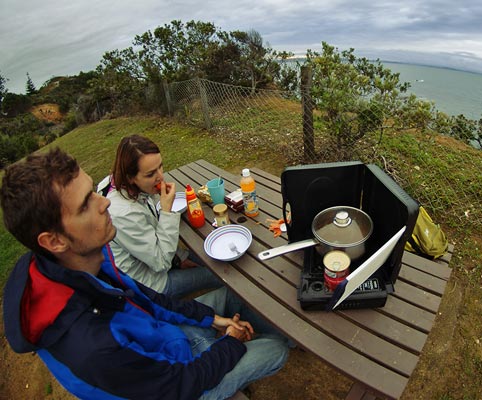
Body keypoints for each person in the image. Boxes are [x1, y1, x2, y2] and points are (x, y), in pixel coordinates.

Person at [1, 148, 289, 399]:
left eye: (93, 192)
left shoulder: (89, 261)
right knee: (276, 348)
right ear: (54, 241)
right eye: (85, 204)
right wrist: (230, 343)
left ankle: (248, 335)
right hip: (177, 385)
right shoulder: (92, 348)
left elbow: (153, 301)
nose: (104, 203)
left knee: (232, 297)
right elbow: (180, 385)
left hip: (167, 338)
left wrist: (214, 320)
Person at [106, 134, 221, 298]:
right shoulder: (123, 214)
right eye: (150, 174)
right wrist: (166, 210)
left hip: (156, 258)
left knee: (211, 255)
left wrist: (179, 259)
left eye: (161, 166)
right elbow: (160, 262)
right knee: (219, 275)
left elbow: (151, 235)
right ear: (130, 178)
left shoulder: (129, 187)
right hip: (152, 285)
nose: (160, 177)